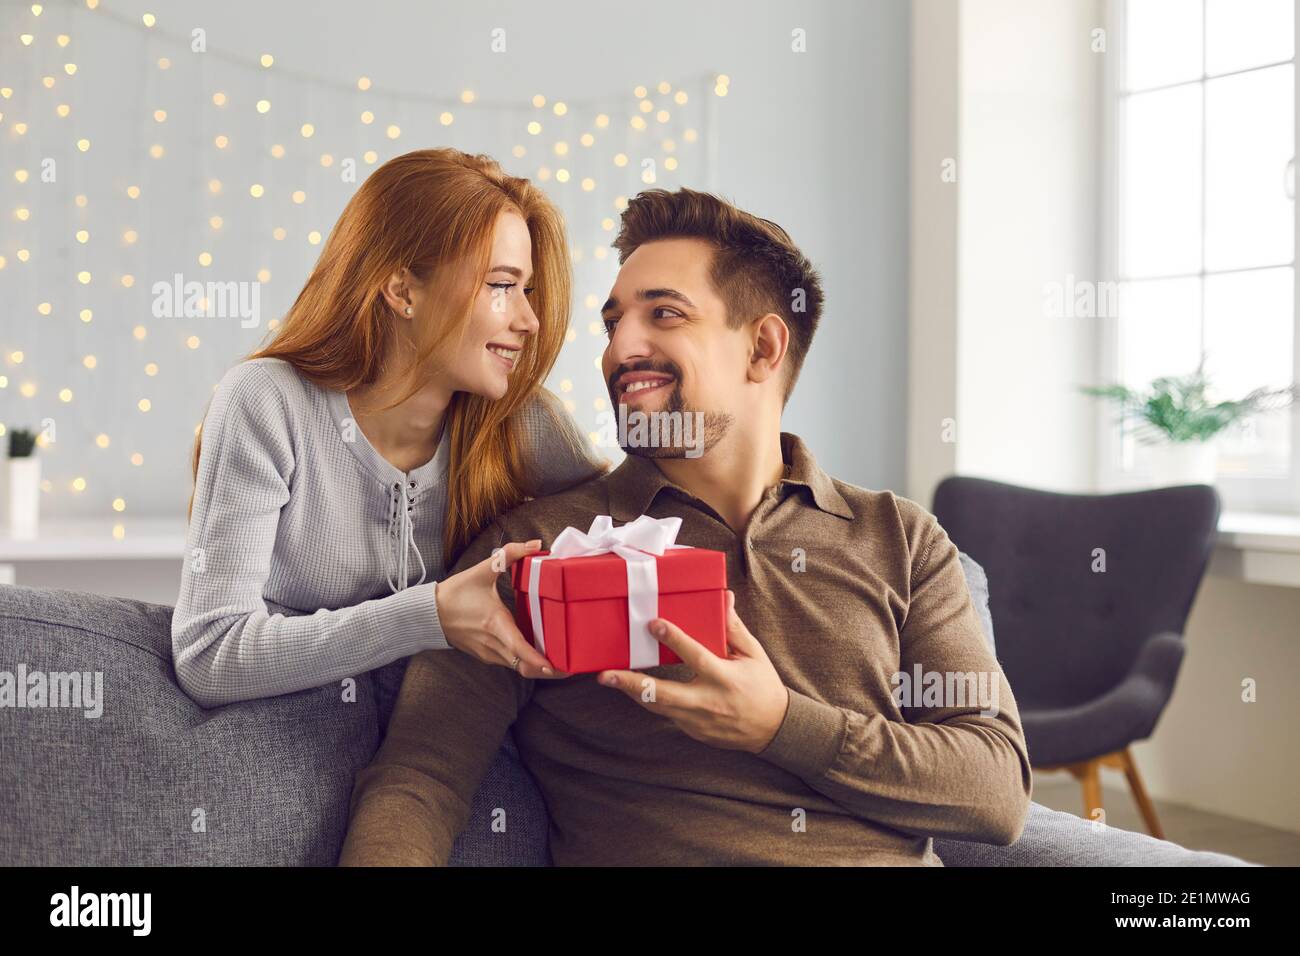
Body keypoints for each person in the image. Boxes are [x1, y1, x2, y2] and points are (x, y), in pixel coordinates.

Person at [339, 187, 1032, 865]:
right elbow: (419, 780)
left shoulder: (900, 539)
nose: (619, 350)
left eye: (664, 315)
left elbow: (996, 789)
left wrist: (778, 725)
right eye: (613, 324)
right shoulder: (539, 547)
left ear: (763, 348)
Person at [173, 148, 607, 709]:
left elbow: (628, 524)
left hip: (437, 742)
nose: (528, 320)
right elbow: (210, 655)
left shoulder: (524, 423)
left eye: (527, 290)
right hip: (285, 736)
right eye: (502, 285)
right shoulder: (267, 402)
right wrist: (428, 616)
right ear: (402, 291)